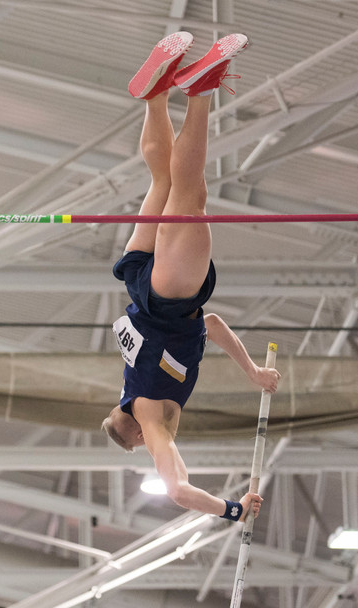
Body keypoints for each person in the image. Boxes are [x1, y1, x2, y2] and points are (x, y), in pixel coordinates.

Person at [103, 32, 282, 523]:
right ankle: (156, 94)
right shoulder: (139, 382)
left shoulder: (151, 418)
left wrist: (231, 510)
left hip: (169, 295)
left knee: (190, 194)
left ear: (137, 437)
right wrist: (252, 374)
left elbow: (178, 490)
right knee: (164, 180)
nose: (161, 447)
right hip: (142, 282)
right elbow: (214, 325)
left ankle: (199, 91)